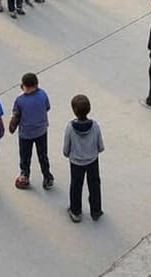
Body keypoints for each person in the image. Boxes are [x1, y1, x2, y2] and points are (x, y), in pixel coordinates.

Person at [63, 93, 104, 223]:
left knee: (76, 186)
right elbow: (101, 146)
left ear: (74, 111)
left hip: (76, 162)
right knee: (94, 185)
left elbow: (66, 148)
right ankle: (96, 211)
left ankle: (75, 212)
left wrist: (68, 154)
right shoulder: (95, 126)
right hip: (92, 161)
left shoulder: (70, 127)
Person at [10, 72, 54, 190]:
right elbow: (47, 107)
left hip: (25, 134)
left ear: (25, 87)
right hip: (41, 132)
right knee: (43, 155)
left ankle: (24, 176)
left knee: (25, 156)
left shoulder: (20, 101)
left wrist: (12, 126)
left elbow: (16, 116)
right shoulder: (43, 94)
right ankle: (47, 177)